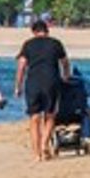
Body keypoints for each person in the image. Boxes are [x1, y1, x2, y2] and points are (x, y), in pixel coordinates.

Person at [14, 19, 71, 163]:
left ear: (33, 32)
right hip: (51, 81)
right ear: (47, 31)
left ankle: (37, 154)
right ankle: (45, 144)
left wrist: (18, 86)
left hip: (33, 82)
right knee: (50, 115)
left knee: (34, 118)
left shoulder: (28, 44)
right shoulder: (55, 43)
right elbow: (65, 62)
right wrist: (66, 76)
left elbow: (21, 66)